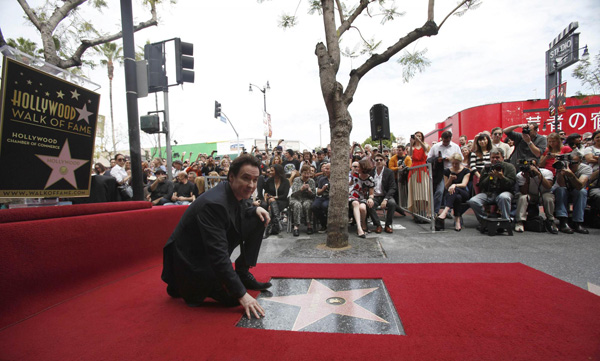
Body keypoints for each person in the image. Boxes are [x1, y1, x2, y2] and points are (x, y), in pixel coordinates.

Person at [161, 154, 271, 319]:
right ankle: (181, 284)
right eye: (246, 178)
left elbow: (240, 204)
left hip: (207, 249)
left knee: (258, 218)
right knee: (233, 299)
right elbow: (217, 252)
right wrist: (242, 294)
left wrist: (253, 209)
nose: (251, 185)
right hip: (192, 260)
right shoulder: (214, 204)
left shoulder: (233, 190)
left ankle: (242, 272)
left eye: (255, 180)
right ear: (231, 177)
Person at [467, 148, 516, 232]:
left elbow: (512, 184)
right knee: (473, 201)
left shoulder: (509, 167)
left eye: (497, 157)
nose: (495, 160)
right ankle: (485, 221)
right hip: (489, 193)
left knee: (504, 197)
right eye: (493, 158)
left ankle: (506, 222)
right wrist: (490, 178)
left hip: (505, 192)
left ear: (502, 158)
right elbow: (481, 185)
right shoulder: (486, 168)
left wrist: (501, 177)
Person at [514, 159, 558, 234]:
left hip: (544, 193)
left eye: (532, 165)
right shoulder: (521, 175)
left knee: (548, 198)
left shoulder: (546, 172)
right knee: (523, 197)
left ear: (537, 166)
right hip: (530, 194)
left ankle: (551, 220)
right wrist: (527, 179)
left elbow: (548, 186)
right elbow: (524, 192)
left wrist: (539, 175)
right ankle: (520, 221)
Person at [553, 153, 591, 234]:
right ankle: (563, 221)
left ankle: (578, 222)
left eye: (573, 163)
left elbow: (580, 186)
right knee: (561, 190)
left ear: (580, 161)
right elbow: (561, 184)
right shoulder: (562, 165)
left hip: (577, 189)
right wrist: (560, 171)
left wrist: (571, 175)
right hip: (563, 190)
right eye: (568, 162)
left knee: (581, 192)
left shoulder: (586, 168)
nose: (570, 165)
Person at [427, 131, 462, 214]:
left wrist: (451, 159)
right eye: (444, 141)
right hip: (440, 173)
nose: (446, 143)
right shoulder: (436, 147)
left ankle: (448, 212)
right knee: (439, 191)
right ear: (441, 139)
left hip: (452, 172)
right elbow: (428, 159)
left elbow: (461, 158)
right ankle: (435, 212)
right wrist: (437, 159)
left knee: (450, 192)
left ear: (451, 139)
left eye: (447, 141)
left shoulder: (455, 147)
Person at [435, 153, 471, 231]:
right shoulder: (447, 171)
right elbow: (446, 186)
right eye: (453, 163)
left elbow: (464, 184)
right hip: (451, 194)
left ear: (460, 162)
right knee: (457, 197)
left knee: (456, 190)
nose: (454, 165)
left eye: (456, 163)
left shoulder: (466, 171)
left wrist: (454, 185)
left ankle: (445, 211)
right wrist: (450, 180)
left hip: (464, 192)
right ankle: (457, 220)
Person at [368, 153, 398, 233]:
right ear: (374, 162)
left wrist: (385, 199)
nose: (379, 161)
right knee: (369, 205)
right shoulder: (371, 172)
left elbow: (393, 187)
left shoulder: (389, 172)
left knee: (392, 203)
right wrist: (370, 197)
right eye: (377, 160)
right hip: (374, 196)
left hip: (386, 195)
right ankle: (378, 225)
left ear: (385, 161)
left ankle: (387, 225)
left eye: (381, 160)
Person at [349, 159, 375, 238]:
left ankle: (364, 224)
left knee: (363, 208)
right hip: (353, 196)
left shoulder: (370, 180)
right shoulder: (355, 175)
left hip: (363, 197)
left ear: (363, 168)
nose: (357, 168)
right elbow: (350, 184)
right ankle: (359, 228)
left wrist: (370, 199)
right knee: (356, 203)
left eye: (359, 167)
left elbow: (371, 194)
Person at [407, 131, 430, 221]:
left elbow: (425, 149)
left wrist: (419, 141)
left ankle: (424, 211)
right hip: (414, 170)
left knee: (424, 192)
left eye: (419, 136)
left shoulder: (425, 145)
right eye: (416, 136)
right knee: (415, 192)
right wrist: (412, 143)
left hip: (423, 170)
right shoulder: (412, 147)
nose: (418, 137)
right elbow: (410, 155)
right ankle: (416, 212)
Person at [262, 164, 290, 237]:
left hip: (282, 201)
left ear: (277, 171)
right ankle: (278, 221)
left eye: (272, 171)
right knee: (271, 201)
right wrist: (269, 197)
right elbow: (266, 192)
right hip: (270, 200)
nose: (270, 172)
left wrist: (275, 197)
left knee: (271, 207)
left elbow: (285, 195)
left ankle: (268, 228)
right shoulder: (269, 181)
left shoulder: (286, 181)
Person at [289, 164, 316, 236]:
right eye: (305, 173)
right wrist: (301, 189)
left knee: (307, 204)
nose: (307, 175)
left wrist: (310, 192)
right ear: (301, 173)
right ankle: (296, 226)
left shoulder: (311, 181)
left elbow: (314, 196)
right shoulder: (296, 180)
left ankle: (309, 224)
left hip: (307, 199)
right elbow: (293, 194)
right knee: (297, 205)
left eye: (308, 173)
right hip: (296, 198)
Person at [311, 162, 330, 233]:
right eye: (325, 169)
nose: (325, 170)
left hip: (330, 198)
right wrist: (323, 189)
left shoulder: (336, 180)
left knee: (325, 206)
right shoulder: (322, 179)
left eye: (327, 169)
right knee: (314, 206)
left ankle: (328, 225)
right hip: (322, 196)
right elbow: (318, 192)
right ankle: (323, 223)